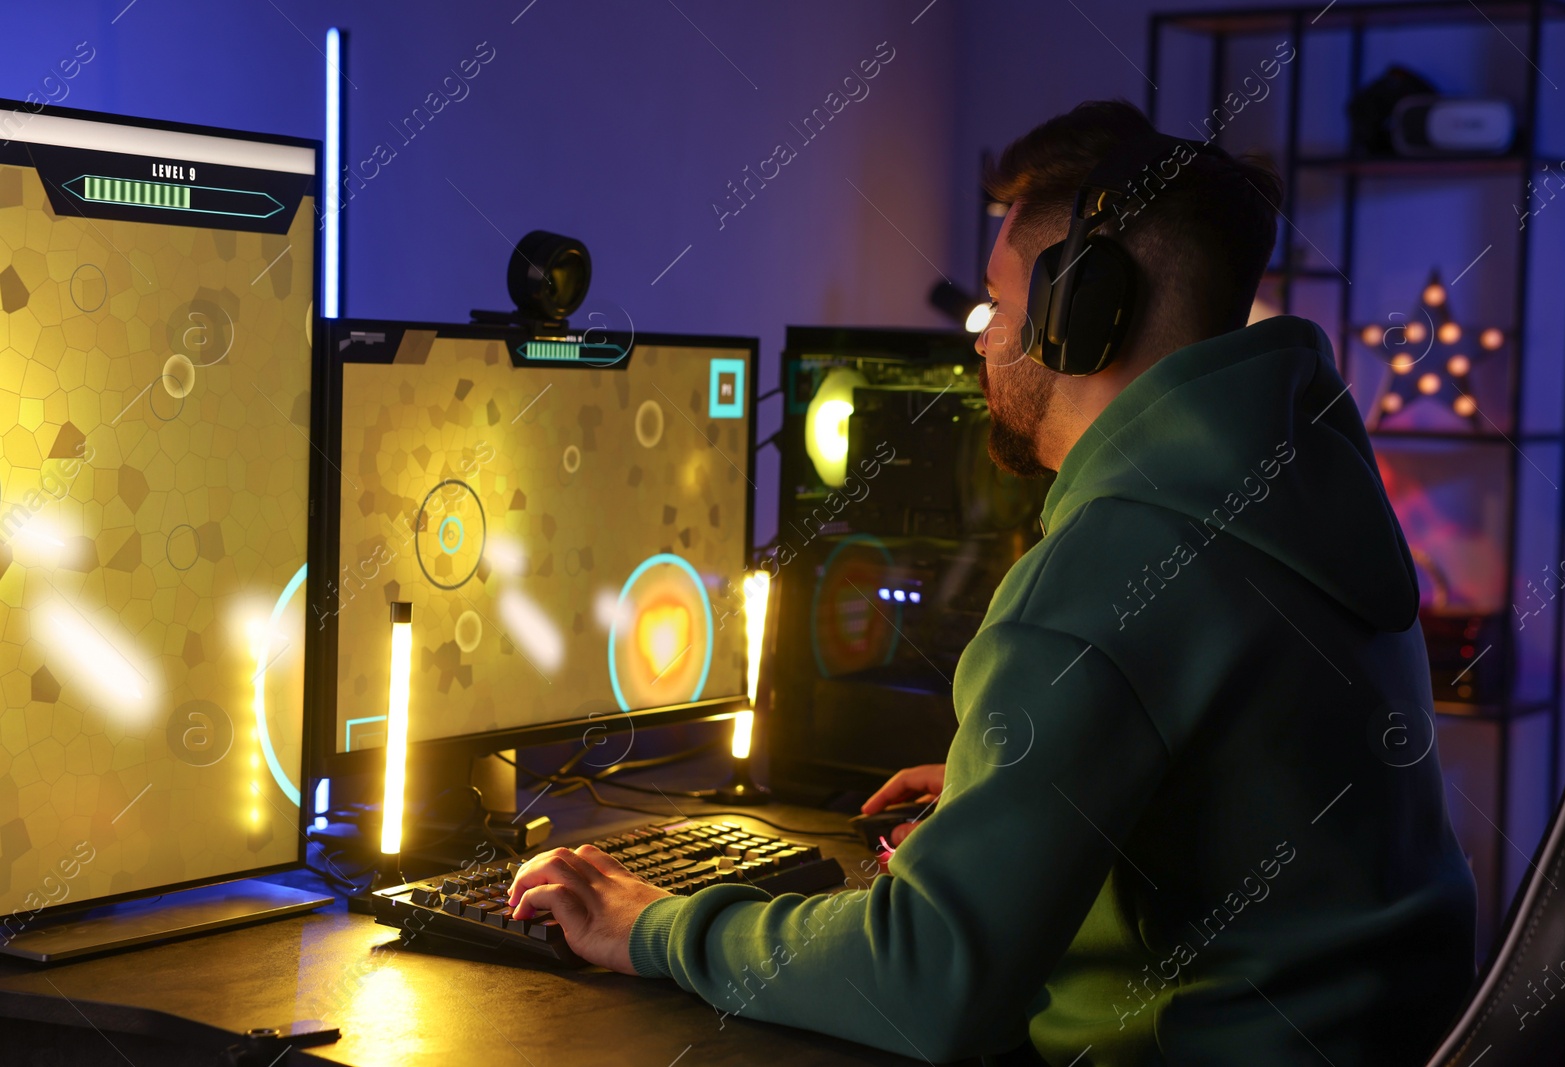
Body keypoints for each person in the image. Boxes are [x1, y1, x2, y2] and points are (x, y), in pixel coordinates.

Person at [506, 100, 1477, 1065]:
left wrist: (658, 924)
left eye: (996, 304)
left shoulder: (1117, 558)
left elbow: (924, 980)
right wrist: (1009, 788)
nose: (977, 338)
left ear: (1082, 316)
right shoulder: (1292, 484)